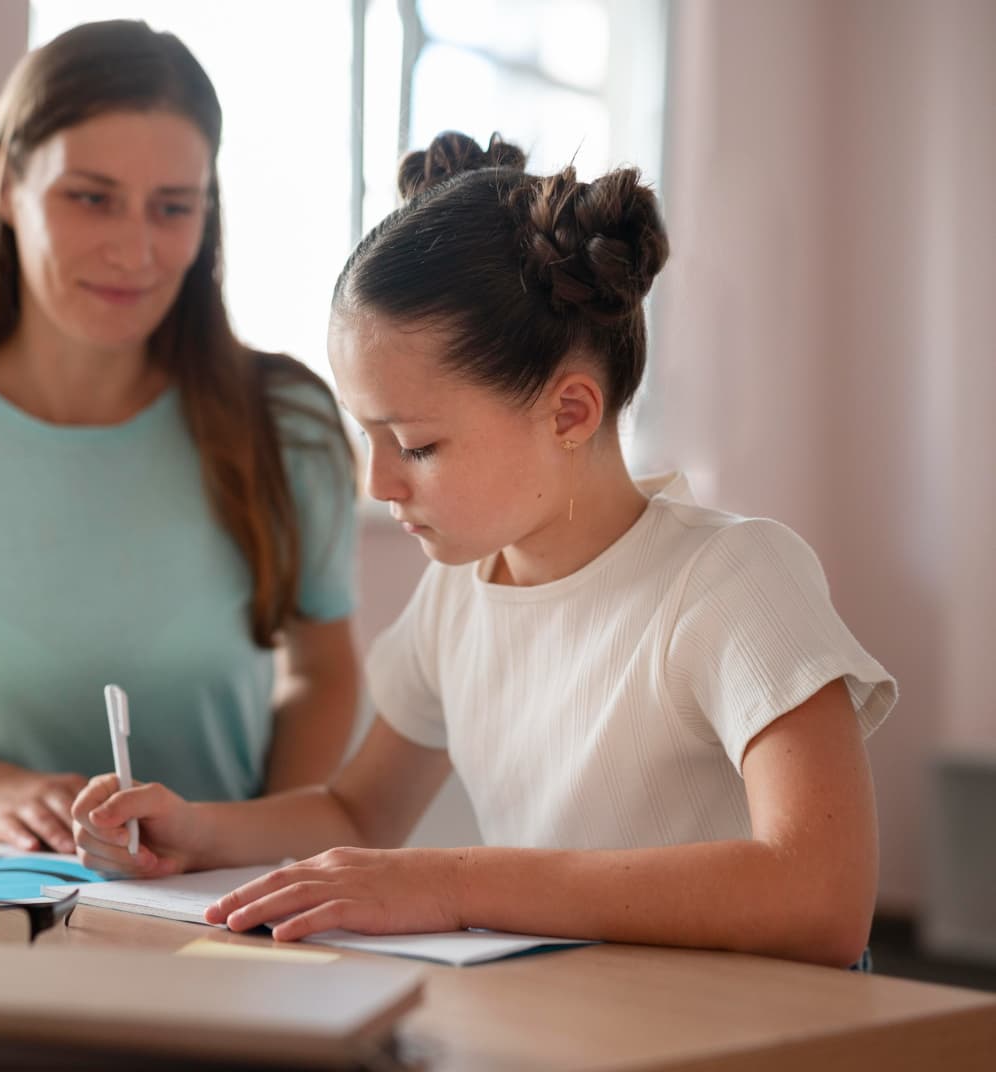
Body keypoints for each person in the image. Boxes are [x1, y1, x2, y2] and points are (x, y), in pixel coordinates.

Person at [71, 132, 897, 968]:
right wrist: (195, 830)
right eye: (370, 438)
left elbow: (821, 899)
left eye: (418, 445)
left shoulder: (732, 580)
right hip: (572, 1021)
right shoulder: (460, 590)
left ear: (570, 413)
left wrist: (457, 882)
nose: (382, 482)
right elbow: (360, 816)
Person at [0, 21, 359, 854]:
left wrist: (249, 846)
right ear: (6, 189)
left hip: (220, 914)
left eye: (173, 207)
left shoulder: (288, 423)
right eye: (90, 197)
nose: (135, 249)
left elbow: (323, 670)